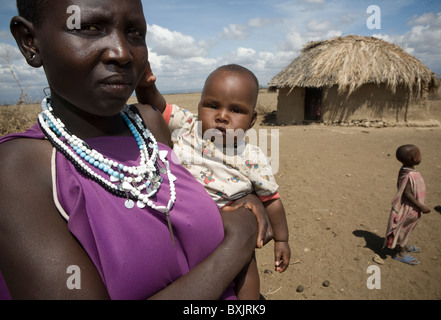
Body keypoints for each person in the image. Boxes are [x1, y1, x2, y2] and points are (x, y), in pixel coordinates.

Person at [0, 0, 271, 300]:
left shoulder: (150, 125)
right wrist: (236, 245)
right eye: (90, 28)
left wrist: (244, 197)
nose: (122, 53)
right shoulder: (18, 171)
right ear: (30, 41)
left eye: (134, 33)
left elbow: (199, 186)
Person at [136, 64, 291, 299]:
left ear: (252, 120)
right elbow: (158, 107)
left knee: (245, 266)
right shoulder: (190, 126)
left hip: (227, 225)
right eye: (212, 105)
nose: (222, 116)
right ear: (199, 107)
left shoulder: (252, 157)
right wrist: (147, 85)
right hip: (181, 220)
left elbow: (272, 200)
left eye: (236, 110)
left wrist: (282, 239)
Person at [383, 144, 430, 265]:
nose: (421, 157)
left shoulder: (405, 169)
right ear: (414, 158)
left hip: (412, 208)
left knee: (407, 228)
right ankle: (401, 252)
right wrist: (421, 206)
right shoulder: (408, 175)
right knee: (402, 229)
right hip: (409, 209)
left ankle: (404, 244)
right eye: (419, 154)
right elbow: (407, 193)